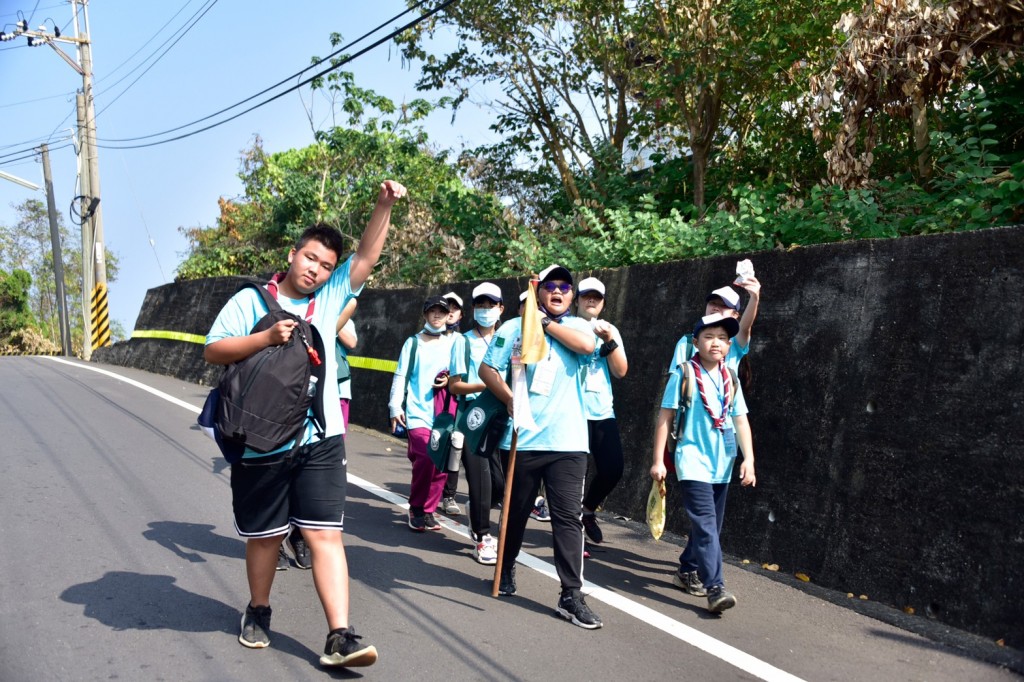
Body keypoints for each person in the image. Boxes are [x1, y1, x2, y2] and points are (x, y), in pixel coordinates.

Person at [204, 179, 406, 668]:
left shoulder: (332, 298)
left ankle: (340, 635)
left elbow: (367, 258)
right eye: (310, 259)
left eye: (326, 266)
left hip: (321, 438)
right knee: (266, 536)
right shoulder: (250, 301)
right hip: (260, 438)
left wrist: (383, 206)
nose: (316, 270)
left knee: (324, 535)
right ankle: (258, 609)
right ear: (293, 254)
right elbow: (213, 350)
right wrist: (266, 338)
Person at [479, 264, 603, 630]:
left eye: (566, 287)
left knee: (568, 517)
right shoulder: (512, 328)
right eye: (551, 286)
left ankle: (571, 594)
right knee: (515, 513)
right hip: (525, 439)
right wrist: (508, 398)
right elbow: (488, 369)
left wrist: (545, 324)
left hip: (569, 443)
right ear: (538, 291)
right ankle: (506, 567)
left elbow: (588, 346)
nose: (559, 292)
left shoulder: (577, 326)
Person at [650, 312, 756, 614]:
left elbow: (740, 420)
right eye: (709, 337)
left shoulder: (730, 377)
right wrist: (659, 460)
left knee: (710, 527)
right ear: (696, 342)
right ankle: (715, 587)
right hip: (691, 460)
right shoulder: (683, 374)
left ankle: (686, 568)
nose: (717, 343)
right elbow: (665, 417)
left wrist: (748, 458)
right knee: (707, 526)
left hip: (722, 463)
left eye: (723, 338)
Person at [447, 282, 505, 564]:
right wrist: (485, 385)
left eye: (490, 305)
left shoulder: (510, 340)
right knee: (480, 478)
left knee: (498, 483)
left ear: (500, 309)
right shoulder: (463, 340)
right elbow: (454, 386)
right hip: (473, 417)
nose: (485, 310)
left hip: (503, 416)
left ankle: (478, 508)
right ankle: (482, 537)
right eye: (480, 305)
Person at [388, 295, 457, 531]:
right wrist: (395, 407)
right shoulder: (413, 343)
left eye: (441, 311)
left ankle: (429, 510)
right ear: (425, 314)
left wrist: (450, 379)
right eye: (432, 311)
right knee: (426, 458)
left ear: (449, 315)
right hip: (418, 412)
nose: (437, 315)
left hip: (446, 414)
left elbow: (462, 374)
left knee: (442, 465)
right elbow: (400, 375)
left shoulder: (454, 343)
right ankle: (416, 507)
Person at [574, 277, 628, 546]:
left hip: (602, 411)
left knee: (613, 468)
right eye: (586, 296)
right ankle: (573, 533)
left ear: (604, 302)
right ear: (577, 300)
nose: (591, 301)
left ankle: (587, 510)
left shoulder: (610, 329)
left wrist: (609, 341)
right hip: (572, 410)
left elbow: (620, 371)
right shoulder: (567, 327)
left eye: (596, 297)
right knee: (576, 472)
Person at [669, 275, 761, 373]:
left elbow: (744, 328)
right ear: (696, 343)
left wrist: (754, 298)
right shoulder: (687, 342)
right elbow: (676, 381)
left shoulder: (734, 343)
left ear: (735, 315)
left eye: (724, 305)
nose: (716, 308)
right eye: (713, 303)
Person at [439, 291, 465, 516]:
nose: (450, 312)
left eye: (454, 309)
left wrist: (452, 379)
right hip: (431, 401)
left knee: (456, 444)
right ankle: (429, 489)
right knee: (434, 444)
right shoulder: (423, 337)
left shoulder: (462, 340)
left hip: (456, 401)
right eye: (446, 307)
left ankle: (449, 495)